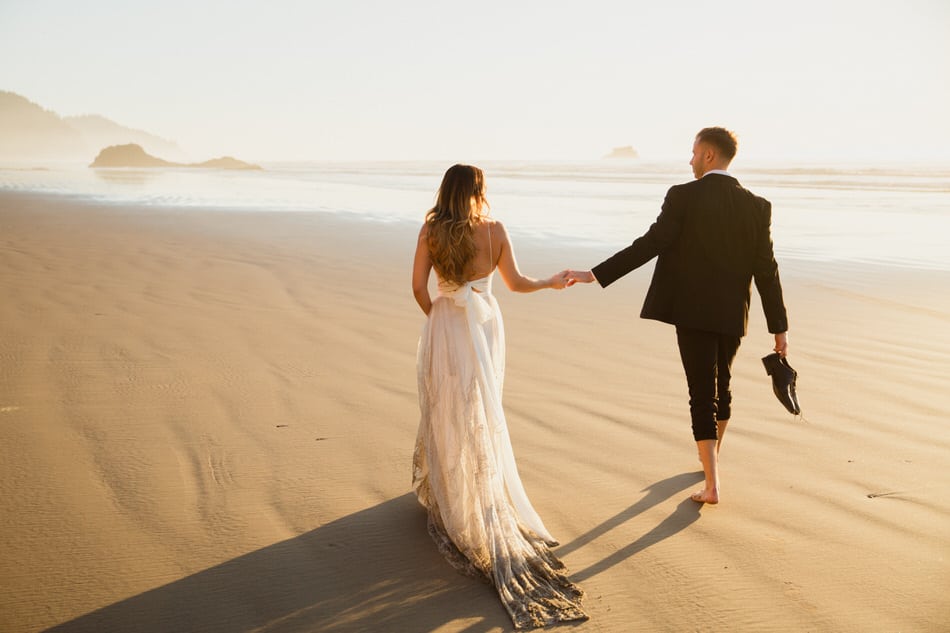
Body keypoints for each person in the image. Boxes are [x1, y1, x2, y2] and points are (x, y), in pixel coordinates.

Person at [568, 127, 790, 505]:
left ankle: (712, 484)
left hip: (692, 311)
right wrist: (779, 328)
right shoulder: (758, 206)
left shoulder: (683, 196)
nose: (689, 160)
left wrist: (596, 273)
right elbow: (767, 270)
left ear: (708, 155)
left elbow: (652, 244)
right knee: (723, 387)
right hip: (734, 313)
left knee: (700, 393)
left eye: (693, 153)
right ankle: (712, 463)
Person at [411, 164, 587, 628]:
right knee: (481, 406)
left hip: (446, 324)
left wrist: (439, 321)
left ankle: (451, 492)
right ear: (479, 191)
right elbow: (517, 283)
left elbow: (417, 288)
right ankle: (480, 489)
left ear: (445, 190)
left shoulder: (431, 230)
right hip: (484, 326)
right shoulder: (495, 231)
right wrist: (552, 281)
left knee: (447, 405)